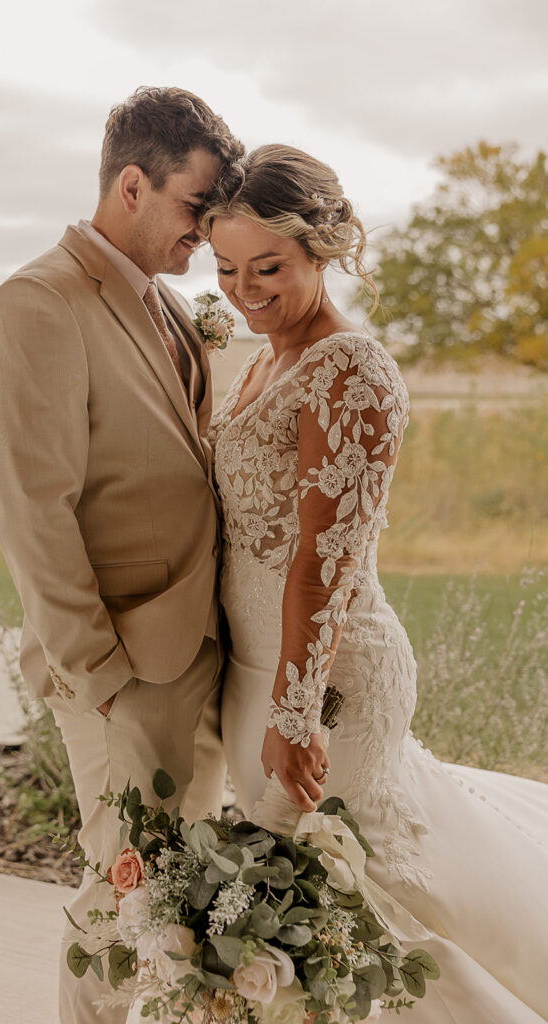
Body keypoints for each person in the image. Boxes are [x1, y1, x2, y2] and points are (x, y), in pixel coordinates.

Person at [203, 144, 548, 1023]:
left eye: (269, 267)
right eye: (227, 268)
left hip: (328, 684)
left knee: (349, 905)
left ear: (324, 248)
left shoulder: (351, 370)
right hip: (258, 672)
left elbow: (324, 563)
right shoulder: (263, 361)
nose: (246, 290)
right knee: (297, 916)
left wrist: (292, 715)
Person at [0, 86, 243, 1024]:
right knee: (121, 907)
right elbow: (32, 509)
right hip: (124, 670)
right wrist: (102, 677)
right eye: (193, 209)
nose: (206, 235)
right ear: (132, 184)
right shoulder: (39, 302)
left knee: (182, 903)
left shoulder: (171, 308)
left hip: (197, 651)